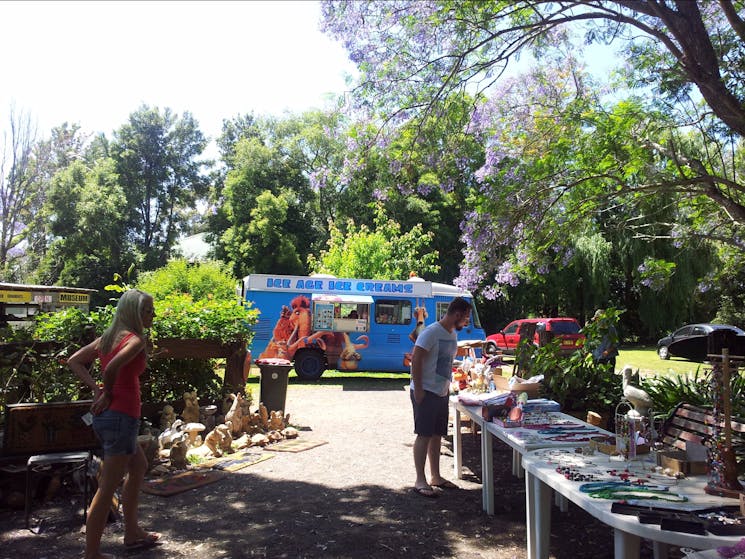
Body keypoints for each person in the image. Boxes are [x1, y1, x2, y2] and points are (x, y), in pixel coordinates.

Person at [67, 289, 161, 559]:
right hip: (120, 416)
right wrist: (105, 391)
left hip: (113, 418)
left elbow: (75, 361)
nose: (152, 315)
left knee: (139, 466)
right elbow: (111, 370)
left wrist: (96, 389)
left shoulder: (107, 338)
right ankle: (92, 554)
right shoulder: (136, 339)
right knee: (108, 485)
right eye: (147, 310)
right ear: (134, 312)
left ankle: (132, 533)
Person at [409, 296, 471, 498]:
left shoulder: (452, 333)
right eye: (466, 318)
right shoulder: (431, 332)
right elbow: (416, 358)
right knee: (424, 434)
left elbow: (444, 360)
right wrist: (418, 389)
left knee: (437, 435)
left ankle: (436, 476)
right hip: (425, 390)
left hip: (441, 391)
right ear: (457, 314)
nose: (466, 322)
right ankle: (420, 479)